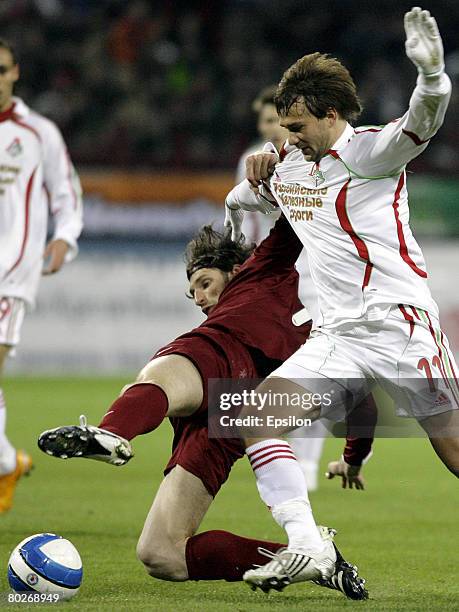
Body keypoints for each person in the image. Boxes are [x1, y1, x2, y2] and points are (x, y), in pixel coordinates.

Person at [224, 7, 459, 592]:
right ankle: (307, 545)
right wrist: (243, 192)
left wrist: (432, 77)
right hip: (336, 336)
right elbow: (246, 197)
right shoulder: (289, 168)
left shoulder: (371, 154)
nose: (287, 136)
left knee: (455, 455)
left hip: (400, 326)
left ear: (331, 115)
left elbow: (422, 121)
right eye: (283, 127)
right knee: (253, 414)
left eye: (297, 125)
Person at [38, 217, 369, 600]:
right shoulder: (310, 342)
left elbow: (298, 212)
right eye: (192, 290)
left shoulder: (264, 272)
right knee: (161, 553)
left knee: (166, 370)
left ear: (235, 270)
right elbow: (360, 402)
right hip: (224, 418)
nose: (198, 298)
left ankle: (111, 432)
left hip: (227, 365)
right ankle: (314, 558)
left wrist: (279, 163)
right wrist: (354, 456)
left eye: (205, 283)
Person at [0, 38, 83, 513]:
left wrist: (64, 239)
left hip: (11, 271)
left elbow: (66, 195)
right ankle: (7, 460)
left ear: (15, 72)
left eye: (1, 68)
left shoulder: (38, 133)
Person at [235, 85, 328, 492]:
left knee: (317, 366)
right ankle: (276, 450)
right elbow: (248, 220)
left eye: (277, 120)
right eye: (265, 122)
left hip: (312, 279)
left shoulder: (314, 161)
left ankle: (306, 463)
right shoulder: (254, 163)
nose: (271, 128)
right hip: (270, 281)